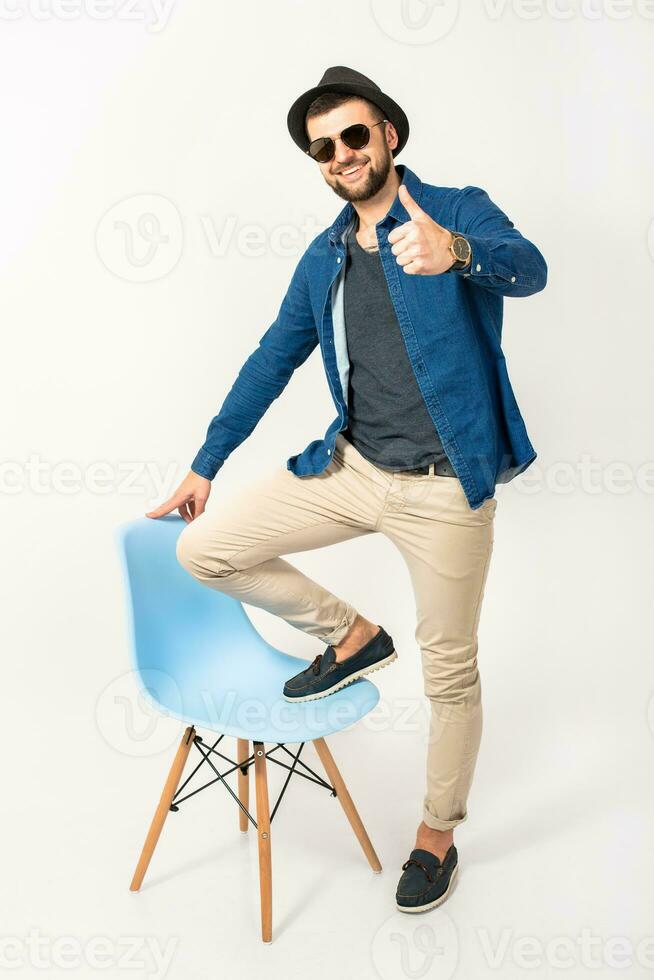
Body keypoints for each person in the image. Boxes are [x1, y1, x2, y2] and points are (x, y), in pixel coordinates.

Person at [146, 66, 547, 913]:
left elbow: (530, 267)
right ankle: (353, 634)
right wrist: (205, 464)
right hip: (354, 469)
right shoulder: (324, 257)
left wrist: (458, 252)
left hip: (446, 491)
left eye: (354, 137)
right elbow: (271, 359)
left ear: (390, 136)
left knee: (451, 673)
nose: (340, 156)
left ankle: (436, 834)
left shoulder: (455, 209)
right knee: (205, 548)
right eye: (322, 148)